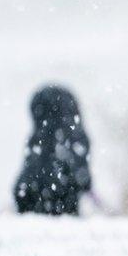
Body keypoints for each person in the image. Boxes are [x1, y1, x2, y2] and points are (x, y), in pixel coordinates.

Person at [13, 85, 92, 216]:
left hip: (31, 204)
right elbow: (83, 179)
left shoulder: (37, 140)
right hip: (66, 206)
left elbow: (22, 189)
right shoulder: (77, 138)